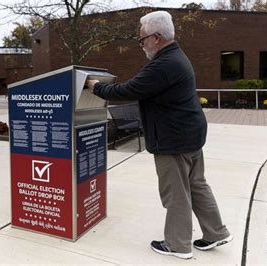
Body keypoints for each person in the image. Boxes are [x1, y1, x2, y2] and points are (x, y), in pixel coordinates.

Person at [86, 10, 232, 260]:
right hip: (190, 134)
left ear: (156, 37)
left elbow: (127, 90)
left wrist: (95, 86)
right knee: (196, 184)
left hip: (173, 139)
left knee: (176, 192)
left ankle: (177, 245)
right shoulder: (177, 57)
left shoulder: (164, 64)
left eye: (142, 39)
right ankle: (216, 232)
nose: (141, 45)